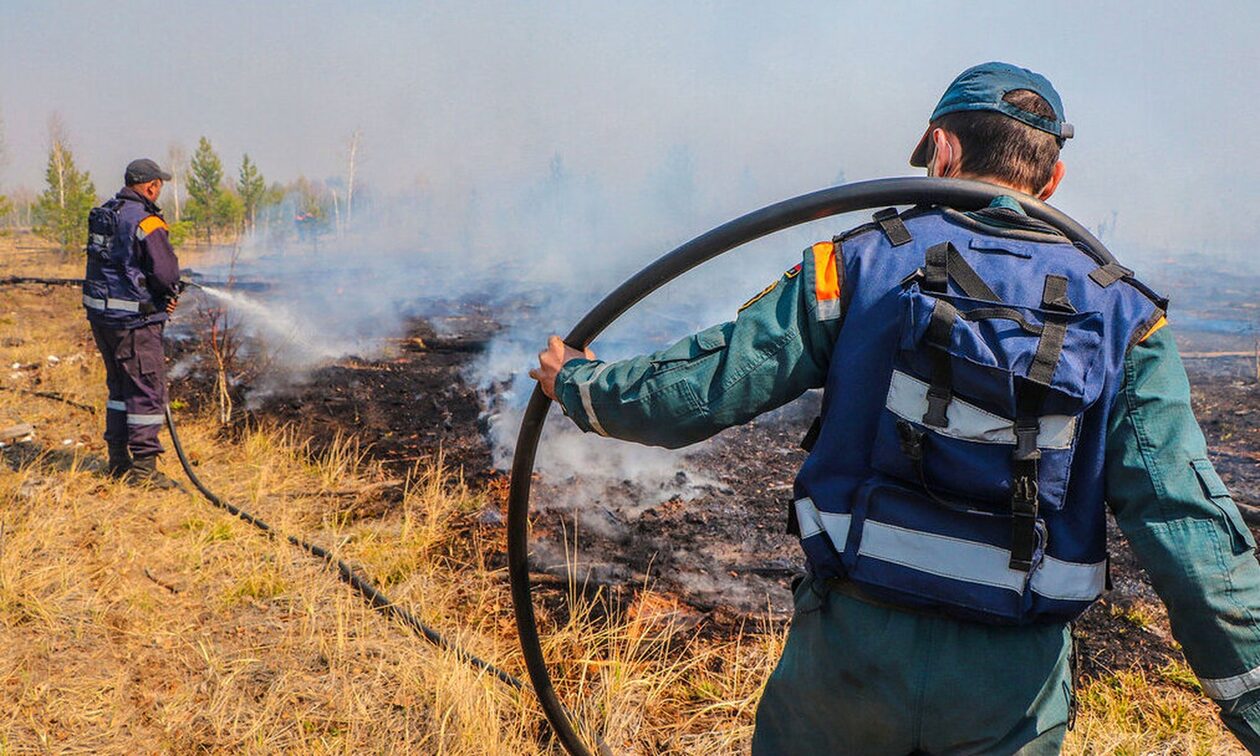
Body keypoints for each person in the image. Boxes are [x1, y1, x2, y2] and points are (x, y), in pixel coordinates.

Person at [530, 62, 1260, 753]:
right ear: (1054, 175)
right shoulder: (1127, 319)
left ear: (942, 148)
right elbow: (1186, 525)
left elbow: (703, 387)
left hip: (850, 659)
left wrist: (582, 384)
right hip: (1010, 685)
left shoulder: (856, 263)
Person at [83, 158, 181, 487]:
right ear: (151, 186)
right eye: (159, 186)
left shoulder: (106, 213)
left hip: (102, 318)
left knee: (119, 389)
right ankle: (143, 472)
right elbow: (165, 274)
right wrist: (169, 292)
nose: (159, 192)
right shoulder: (147, 221)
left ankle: (118, 460)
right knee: (145, 390)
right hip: (134, 322)